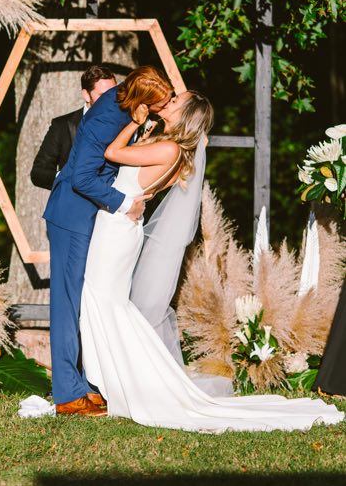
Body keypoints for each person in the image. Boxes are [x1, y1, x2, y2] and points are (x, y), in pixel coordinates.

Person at [80, 91, 344, 431]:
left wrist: (134, 121)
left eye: (175, 100)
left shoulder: (170, 149)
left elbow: (112, 154)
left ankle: (111, 382)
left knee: (103, 300)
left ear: (186, 113)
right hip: (119, 227)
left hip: (116, 230)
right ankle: (107, 380)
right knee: (107, 303)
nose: (168, 101)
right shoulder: (168, 146)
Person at [43, 65, 173, 416]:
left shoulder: (124, 107)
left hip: (88, 216)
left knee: (85, 302)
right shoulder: (105, 118)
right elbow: (83, 177)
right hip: (71, 215)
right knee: (68, 305)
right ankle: (68, 394)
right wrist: (124, 203)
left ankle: (88, 383)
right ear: (141, 98)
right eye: (158, 104)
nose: (163, 109)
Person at [30, 65, 116, 190]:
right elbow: (38, 173)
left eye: (114, 94)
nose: (111, 100)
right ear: (86, 95)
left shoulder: (124, 123)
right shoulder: (62, 126)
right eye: (103, 95)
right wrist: (68, 178)